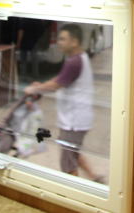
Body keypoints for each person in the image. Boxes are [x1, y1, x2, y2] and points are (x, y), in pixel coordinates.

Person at [24, 24, 102, 182]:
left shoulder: (74, 62)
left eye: (62, 39)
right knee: (71, 151)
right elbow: (60, 78)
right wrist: (41, 85)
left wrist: (34, 89)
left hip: (74, 120)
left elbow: (56, 85)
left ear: (74, 42)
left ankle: (74, 189)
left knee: (67, 163)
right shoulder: (78, 57)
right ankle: (94, 177)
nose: (59, 42)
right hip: (77, 117)